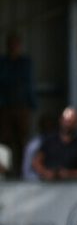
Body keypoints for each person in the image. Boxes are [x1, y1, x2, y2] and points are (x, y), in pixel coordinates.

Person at [0, 32, 37, 176]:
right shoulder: (3, 62)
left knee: (22, 140)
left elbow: (28, 83)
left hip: (21, 106)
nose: (14, 47)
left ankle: (23, 171)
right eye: (11, 45)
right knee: (5, 139)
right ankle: (6, 169)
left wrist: (31, 103)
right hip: (5, 106)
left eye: (16, 45)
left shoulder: (25, 62)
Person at [32, 106, 77, 181]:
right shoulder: (49, 141)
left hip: (73, 185)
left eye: (72, 122)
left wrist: (70, 174)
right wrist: (46, 173)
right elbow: (36, 162)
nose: (68, 125)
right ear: (61, 120)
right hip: (49, 185)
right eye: (66, 121)